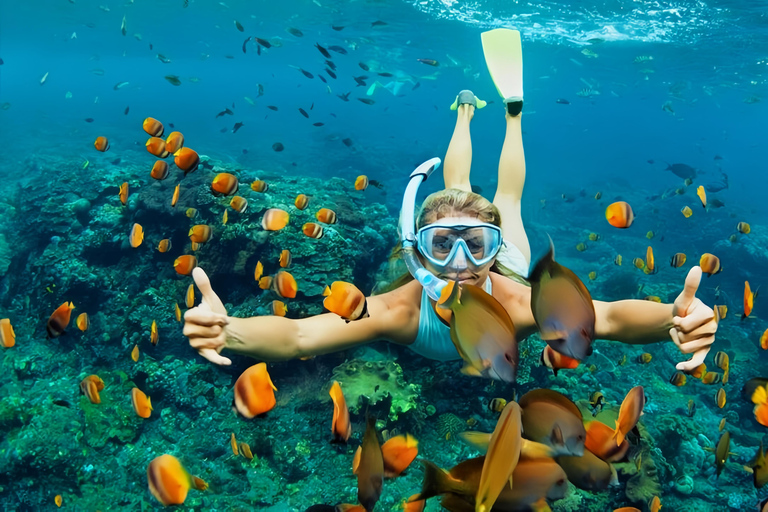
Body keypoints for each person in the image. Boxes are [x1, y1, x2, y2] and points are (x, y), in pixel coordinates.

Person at [183, 91, 717, 374]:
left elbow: (611, 317)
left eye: (476, 244)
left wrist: (675, 316)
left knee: (506, 200)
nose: (461, 259)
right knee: (456, 184)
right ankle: (464, 114)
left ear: (494, 248)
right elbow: (301, 336)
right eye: (443, 244)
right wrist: (229, 330)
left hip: (513, 264)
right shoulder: (396, 310)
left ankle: (511, 118)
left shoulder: (522, 301)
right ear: (420, 252)